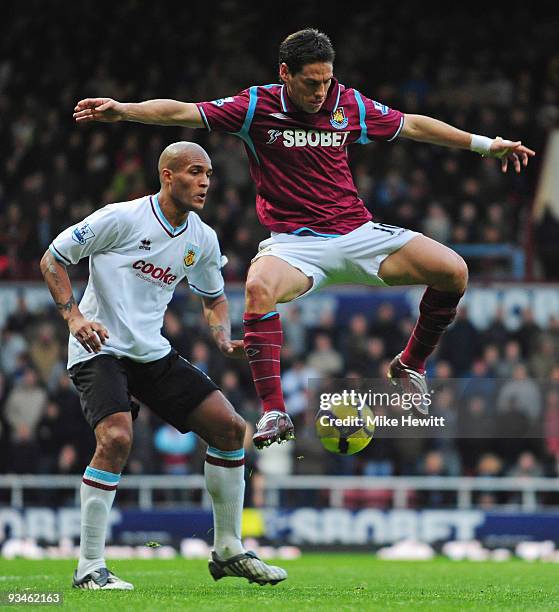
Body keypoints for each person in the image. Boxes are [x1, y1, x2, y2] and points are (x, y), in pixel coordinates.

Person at [73, 29, 535, 449]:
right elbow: (184, 112)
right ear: (285, 74)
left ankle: (408, 364)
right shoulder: (256, 107)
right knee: (257, 288)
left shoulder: (346, 103)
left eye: (327, 81)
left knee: (454, 270)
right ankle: (274, 410)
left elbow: (411, 124)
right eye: (311, 82)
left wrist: (485, 143)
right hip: (295, 245)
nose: (320, 92)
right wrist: (123, 110)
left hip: (357, 233)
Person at [40, 142, 287, 590]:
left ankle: (229, 548)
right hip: (100, 347)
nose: (206, 182)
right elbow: (53, 258)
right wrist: (75, 317)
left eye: (209, 174)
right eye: (196, 172)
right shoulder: (119, 218)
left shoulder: (202, 238)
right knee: (115, 437)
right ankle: (89, 567)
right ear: (167, 176)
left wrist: (221, 335)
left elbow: (212, 296)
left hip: (150, 352)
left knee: (231, 429)